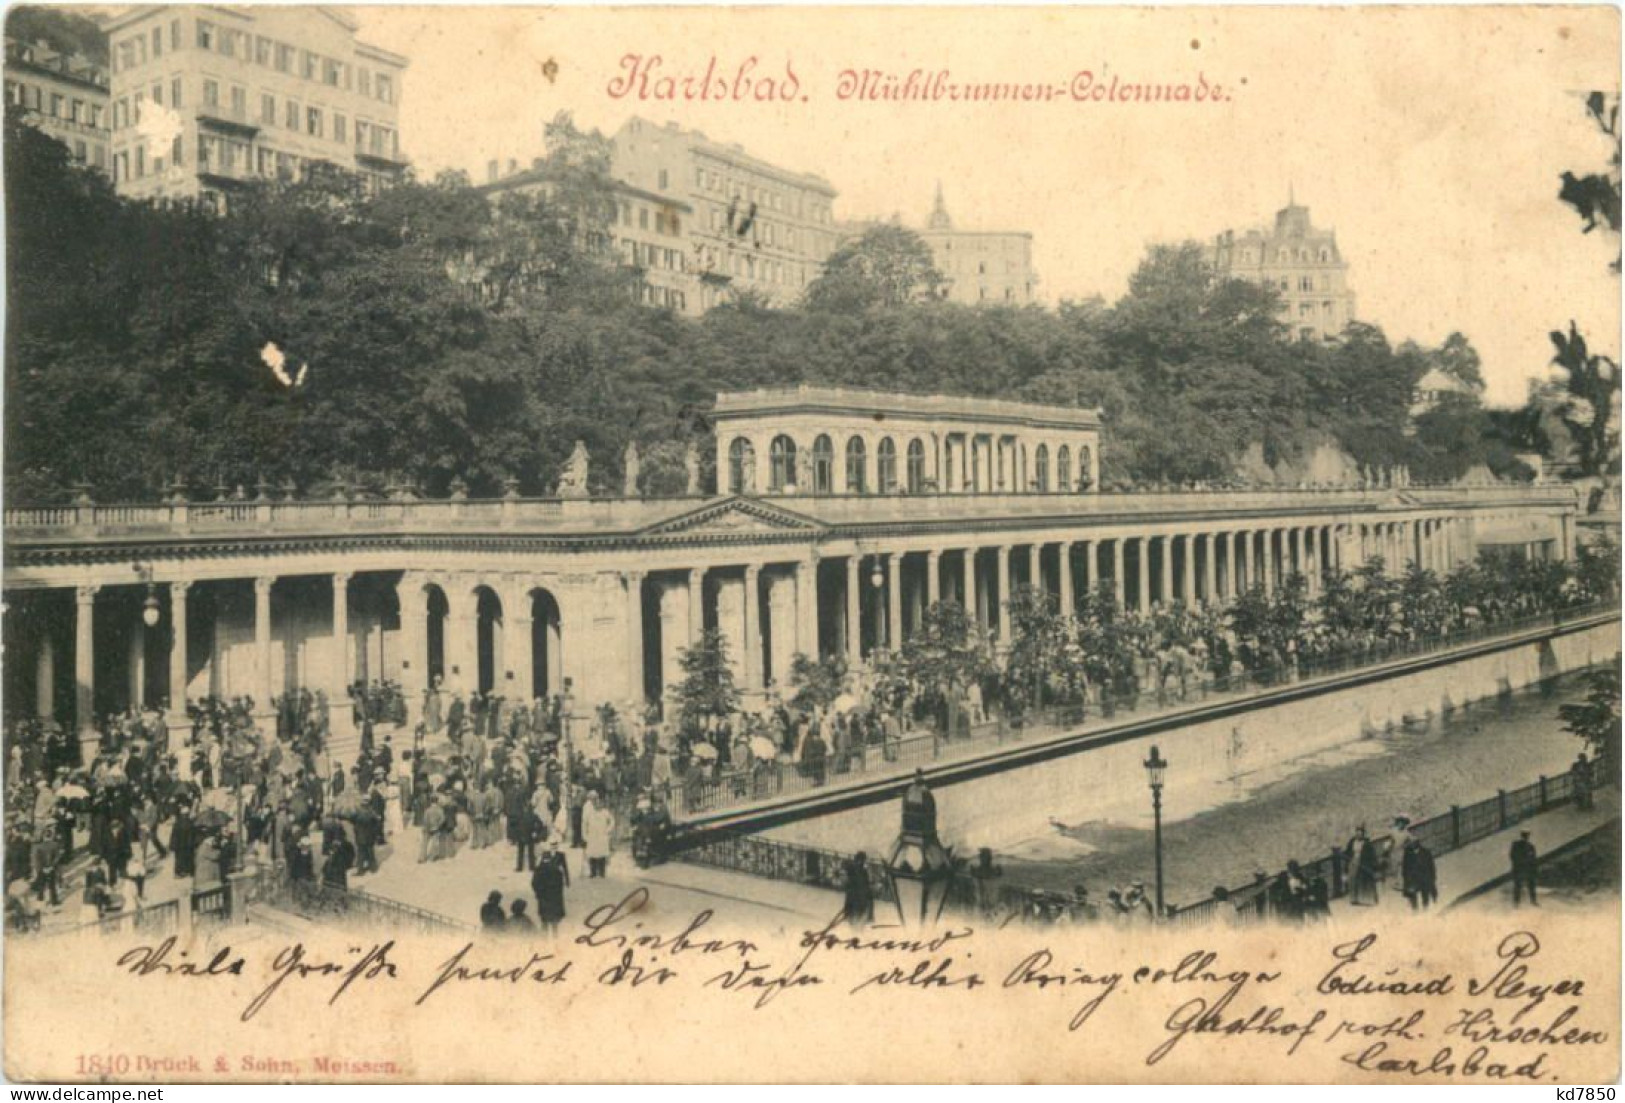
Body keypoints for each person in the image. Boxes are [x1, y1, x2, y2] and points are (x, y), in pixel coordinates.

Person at [531, 839, 570, 935]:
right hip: (548, 888)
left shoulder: (561, 855)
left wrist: (567, 880)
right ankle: (546, 930)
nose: (553, 846)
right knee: (546, 914)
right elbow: (536, 877)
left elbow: (565, 868)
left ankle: (554, 928)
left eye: (555, 845)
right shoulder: (545, 855)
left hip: (555, 886)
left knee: (553, 911)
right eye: (552, 845)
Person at [1345, 826, 1381, 906]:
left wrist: (1374, 865)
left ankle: (1366, 898)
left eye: (1360, 833)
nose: (1358, 835)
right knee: (1352, 879)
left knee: (1363, 880)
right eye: (1357, 833)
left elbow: (1372, 854)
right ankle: (1354, 898)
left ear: (1363, 834)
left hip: (1363, 862)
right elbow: (1348, 852)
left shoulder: (1367, 843)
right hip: (1353, 862)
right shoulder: (1352, 842)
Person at [582, 793, 613, 879]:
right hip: (592, 835)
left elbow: (612, 821)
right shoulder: (589, 813)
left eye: (599, 804)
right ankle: (593, 872)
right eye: (596, 804)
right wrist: (584, 834)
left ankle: (602, 872)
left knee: (602, 855)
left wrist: (608, 830)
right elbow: (584, 824)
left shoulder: (605, 812)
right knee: (592, 854)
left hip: (602, 835)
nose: (598, 806)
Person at [841, 852, 874, 928]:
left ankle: (861, 920)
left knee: (859, 910)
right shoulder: (854, 868)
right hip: (855, 895)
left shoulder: (863, 870)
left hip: (858, 895)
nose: (862, 862)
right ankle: (855, 920)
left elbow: (866, 883)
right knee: (855, 911)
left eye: (863, 861)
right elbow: (845, 867)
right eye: (862, 860)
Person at [1510, 830, 1539, 907]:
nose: (1526, 837)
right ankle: (1517, 902)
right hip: (1520, 869)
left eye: (1527, 836)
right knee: (1518, 886)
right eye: (1525, 836)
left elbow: (1533, 859)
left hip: (1527, 869)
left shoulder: (1530, 846)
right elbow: (1513, 856)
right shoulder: (1516, 845)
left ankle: (1533, 901)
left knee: (1529, 885)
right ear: (1523, 836)